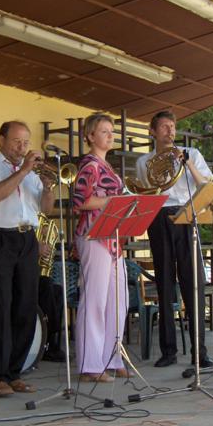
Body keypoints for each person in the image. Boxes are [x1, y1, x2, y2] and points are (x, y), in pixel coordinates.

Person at [0, 121, 54, 397]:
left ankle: (14, 372)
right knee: (2, 306)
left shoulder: (30, 173)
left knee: (26, 306)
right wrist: (23, 171)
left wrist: (48, 187)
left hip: (27, 238)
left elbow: (45, 209)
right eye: (17, 141)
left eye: (26, 142)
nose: (22, 147)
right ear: (1, 140)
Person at [135, 110, 213, 368]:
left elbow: (205, 186)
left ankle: (199, 352)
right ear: (153, 131)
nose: (170, 130)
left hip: (186, 215)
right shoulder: (144, 161)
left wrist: (187, 163)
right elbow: (148, 191)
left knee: (193, 284)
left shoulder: (192, 153)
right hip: (159, 217)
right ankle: (168, 351)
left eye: (172, 126)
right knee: (165, 284)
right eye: (164, 127)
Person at [71, 113, 130, 382]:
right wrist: (113, 201)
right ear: (90, 136)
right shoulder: (89, 165)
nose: (110, 135)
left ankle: (112, 358)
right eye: (104, 131)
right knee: (95, 301)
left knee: (118, 301)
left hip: (112, 237)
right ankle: (90, 365)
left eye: (111, 131)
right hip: (94, 235)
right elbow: (80, 201)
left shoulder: (107, 166)